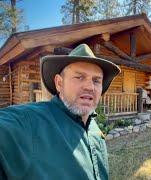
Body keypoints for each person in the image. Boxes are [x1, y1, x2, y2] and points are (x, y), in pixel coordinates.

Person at [0, 44, 120, 180]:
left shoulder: (94, 130)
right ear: (59, 83)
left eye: (96, 80)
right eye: (79, 77)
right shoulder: (29, 122)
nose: (90, 87)